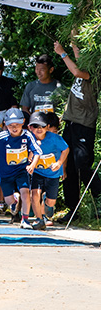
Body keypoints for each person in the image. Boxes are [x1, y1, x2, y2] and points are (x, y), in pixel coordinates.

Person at [53, 40, 101, 221]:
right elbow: (79, 60)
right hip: (71, 123)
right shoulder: (85, 66)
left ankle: (99, 196)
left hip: (84, 124)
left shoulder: (94, 73)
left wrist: (62, 53)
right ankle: (72, 209)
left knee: (81, 162)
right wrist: (74, 41)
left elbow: (77, 70)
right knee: (68, 167)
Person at [28, 112, 69, 230]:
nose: (39, 129)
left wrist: (59, 163)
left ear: (47, 127)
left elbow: (66, 149)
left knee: (51, 202)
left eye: (42, 126)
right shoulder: (29, 139)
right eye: (35, 126)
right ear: (30, 128)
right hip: (37, 172)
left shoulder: (54, 139)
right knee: (35, 193)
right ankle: (39, 219)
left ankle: (46, 207)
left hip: (53, 174)